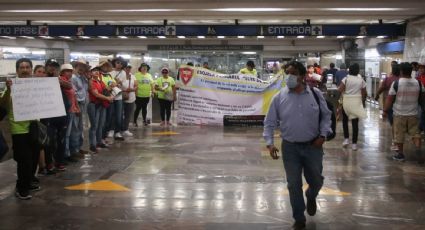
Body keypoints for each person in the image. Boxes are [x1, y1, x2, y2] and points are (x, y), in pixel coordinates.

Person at [263, 61, 332, 230]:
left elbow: (326, 116)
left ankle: (311, 195)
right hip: (290, 148)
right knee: (293, 184)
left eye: (292, 73)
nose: (289, 77)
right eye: (287, 73)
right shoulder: (279, 97)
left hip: (313, 146)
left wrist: (323, 135)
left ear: (302, 76)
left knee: (316, 180)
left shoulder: (315, 94)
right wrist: (270, 144)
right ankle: (299, 218)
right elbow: (269, 122)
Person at [0, 58, 41, 200]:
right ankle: (21, 187)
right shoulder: (12, 85)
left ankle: (29, 181)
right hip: (18, 128)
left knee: (34, 157)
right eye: (21, 67)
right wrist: (9, 90)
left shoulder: (37, 85)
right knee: (24, 160)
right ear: (17, 70)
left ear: (31, 69)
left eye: (27, 67)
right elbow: (3, 104)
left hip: (34, 126)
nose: (24, 70)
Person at [384, 62, 424, 163]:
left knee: (399, 134)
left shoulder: (397, 83)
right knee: (415, 133)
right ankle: (418, 151)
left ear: (401, 71)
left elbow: (390, 99)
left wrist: (384, 111)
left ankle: (400, 155)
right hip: (414, 114)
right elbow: (423, 98)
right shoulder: (418, 83)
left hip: (399, 114)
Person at [43, 58, 69, 171]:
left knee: (61, 139)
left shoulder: (59, 79)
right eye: (50, 66)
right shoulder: (41, 79)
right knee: (50, 140)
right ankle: (49, 163)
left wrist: (58, 80)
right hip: (49, 115)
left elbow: (69, 86)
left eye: (55, 66)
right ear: (46, 67)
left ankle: (60, 161)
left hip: (62, 114)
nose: (52, 68)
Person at [338, 63, 367, 151]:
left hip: (346, 101)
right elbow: (364, 92)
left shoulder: (345, 79)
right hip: (356, 102)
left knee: (345, 121)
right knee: (355, 123)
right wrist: (362, 101)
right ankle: (354, 144)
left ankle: (346, 139)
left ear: (349, 70)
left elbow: (340, 90)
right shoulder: (361, 80)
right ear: (358, 70)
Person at [87, 66, 113, 153]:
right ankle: (92, 144)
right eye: (94, 71)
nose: (96, 72)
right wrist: (107, 98)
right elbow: (96, 94)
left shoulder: (100, 81)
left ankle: (98, 142)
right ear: (90, 73)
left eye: (97, 70)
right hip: (94, 105)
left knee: (100, 125)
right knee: (94, 125)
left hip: (101, 105)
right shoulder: (91, 82)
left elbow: (106, 90)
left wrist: (112, 87)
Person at [375, 64, 401, 150]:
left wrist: (377, 95)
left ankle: (395, 142)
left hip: (390, 105)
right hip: (401, 105)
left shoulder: (388, 79)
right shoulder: (402, 80)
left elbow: (381, 88)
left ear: (392, 71)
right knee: (399, 124)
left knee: (394, 124)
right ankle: (398, 142)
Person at [60, 64, 81, 163]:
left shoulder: (69, 81)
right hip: (67, 111)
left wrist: (77, 107)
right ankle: (66, 154)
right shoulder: (61, 81)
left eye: (70, 71)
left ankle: (72, 151)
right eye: (67, 71)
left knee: (73, 133)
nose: (69, 73)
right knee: (67, 134)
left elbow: (74, 95)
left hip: (72, 110)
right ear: (62, 72)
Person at [71, 60, 90, 155]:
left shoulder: (83, 78)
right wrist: (76, 107)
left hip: (83, 104)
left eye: (83, 67)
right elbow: (73, 94)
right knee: (75, 127)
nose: (81, 69)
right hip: (77, 104)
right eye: (80, 67)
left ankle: (79, 147)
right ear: (76, 67)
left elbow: (86, 90)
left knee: (80, 127)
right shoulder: (74, 78)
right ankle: (74, 150)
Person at [109, 57, 126, 140]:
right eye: (117, 62)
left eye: (121, 63)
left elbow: (121, 84)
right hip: (111, 96)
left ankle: (117, 132)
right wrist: (115, 83)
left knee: (119, 115)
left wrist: (116, 83)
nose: (119, 64)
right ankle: (111, 130)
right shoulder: (110, 72)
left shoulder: (123, 73)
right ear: (114, 63)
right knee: (111, 114)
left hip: (119, 97)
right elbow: (109, 83)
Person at [99, 60, 116, 143]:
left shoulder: (109, 75)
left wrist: (113, 85)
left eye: (107, 66)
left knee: (108, 118)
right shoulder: (98, 75)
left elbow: (114, 83)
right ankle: (100, 138)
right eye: (104, 66)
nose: (105, 67)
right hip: (101, 99)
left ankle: (104, 137)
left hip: (110, 99)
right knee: (102, 119)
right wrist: (107, 88)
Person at [121, 64, 138, 136]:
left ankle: (125, 129)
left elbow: (136, 86)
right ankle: (118, 129)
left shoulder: (133, 76)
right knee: (119, 115)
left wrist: (132, 89)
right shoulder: (121, 76)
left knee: (128, 115)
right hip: (121, 98)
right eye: (126, 68)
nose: (128, 69)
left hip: (131, 98)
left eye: (129, 68)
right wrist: (124, 90)